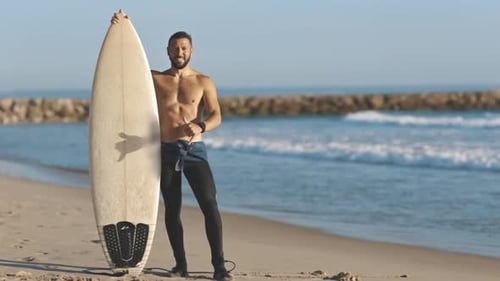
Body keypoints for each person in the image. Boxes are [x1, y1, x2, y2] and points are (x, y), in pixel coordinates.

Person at [111, 12, 233, 281]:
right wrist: (119, 29)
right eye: (175, 48)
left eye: (184, 47)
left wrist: (201, 126)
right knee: (172, 209)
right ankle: (181, 264)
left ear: (191, 51)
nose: (180, 52)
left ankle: (219, 266)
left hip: (194, 152)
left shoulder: (204, 82)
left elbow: (216, 116)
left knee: (210, 205)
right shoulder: (154, 79)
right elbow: (124, 65)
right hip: (165, 152)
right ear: (167, 50)